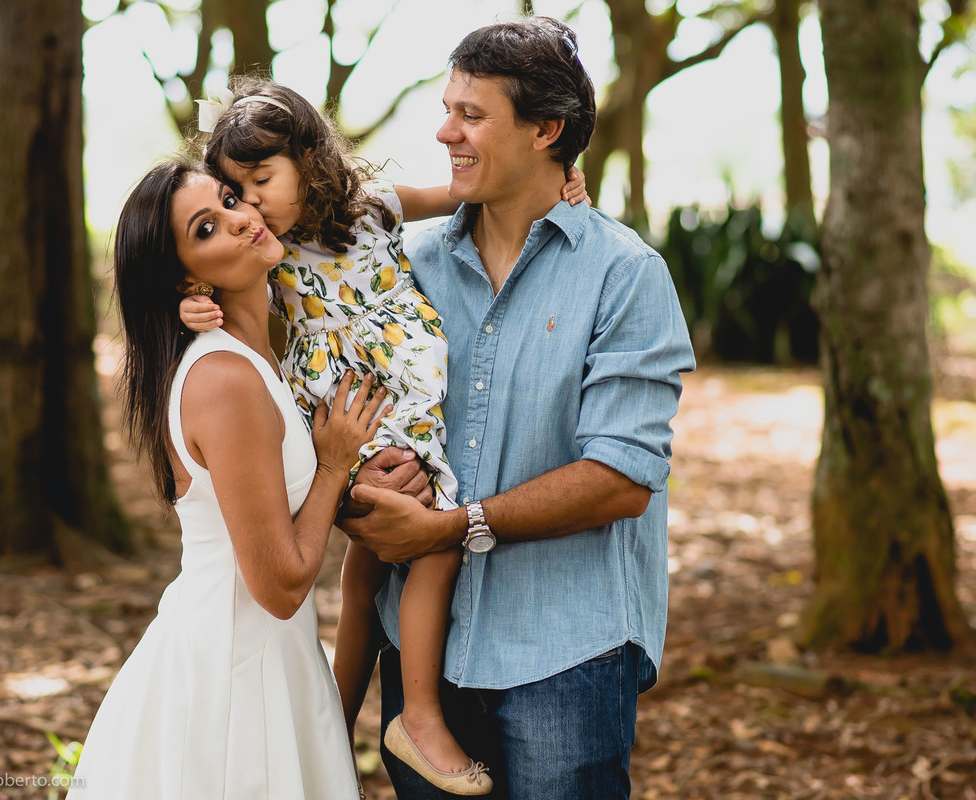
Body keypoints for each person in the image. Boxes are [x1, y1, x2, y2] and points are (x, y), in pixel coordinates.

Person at [178, 78, 588, 796]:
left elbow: (468, 195)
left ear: (310, 159)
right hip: (359, 408)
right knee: (430, 540)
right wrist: (194, 302)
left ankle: (331, 722)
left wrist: (559, 185)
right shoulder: (271, 257)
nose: (252, 206)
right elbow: (214, 289)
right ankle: (419, 714)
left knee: (372, 566)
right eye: (235, 193)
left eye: (262, 181)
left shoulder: (374, 209)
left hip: (407, 395)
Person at [339, 16, 696, 800]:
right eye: (446, 109)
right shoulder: (408, 266)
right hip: (422, 653)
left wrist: (447, 528)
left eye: (471, 115)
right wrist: (367, 483)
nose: (444, 132)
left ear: (547, 130)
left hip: (566, 655)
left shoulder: (624, 275)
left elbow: (619, 479)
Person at [69, 160, 390, 799]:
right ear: (188, 274)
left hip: (268, 656)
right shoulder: (224, 379)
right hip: (237, 674)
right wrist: (332, 464)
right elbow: (278, 585)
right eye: (208, 227)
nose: (243, 220)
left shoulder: (264, 349)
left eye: (230, 199)